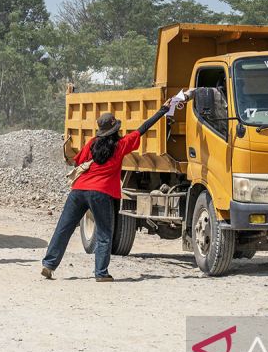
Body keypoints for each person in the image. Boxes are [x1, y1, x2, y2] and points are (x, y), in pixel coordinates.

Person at [41, 99, 172, 282]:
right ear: (115, 129)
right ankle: (101, 273)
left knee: (64, 228)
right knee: (104, 233)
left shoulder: (92, 143)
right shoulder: (120, 146)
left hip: (78, 190)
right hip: (100, 193)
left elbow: (78, 161)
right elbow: (142, 128)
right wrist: (163, 110)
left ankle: (49, 264)